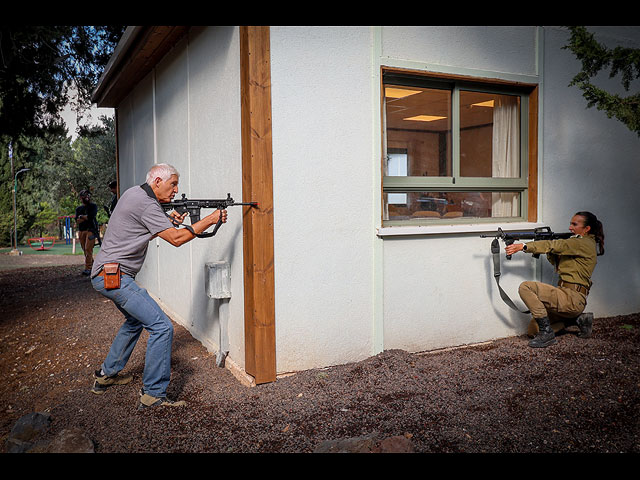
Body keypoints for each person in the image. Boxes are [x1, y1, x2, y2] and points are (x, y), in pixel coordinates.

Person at [89, 164, 228, 410]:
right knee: (162, 327)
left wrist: (165, 220)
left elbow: (140, 229)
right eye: (172, 184)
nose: (176, 190)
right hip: (114, 276)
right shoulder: (146, 203)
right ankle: (153, 394)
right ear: (156, 182)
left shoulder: (135, 194)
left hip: (106, 274)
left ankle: (106, 375)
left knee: (134, 321)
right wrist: (211, 219)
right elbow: (176, 239)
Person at [505, 211, 605, 348]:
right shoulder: (576, 244)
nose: (570, 227)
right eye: (570, 223)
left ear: (587, 229)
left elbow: (555, 245)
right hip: (564, 295)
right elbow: (556, 257)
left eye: (575, 224)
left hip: (572, 299)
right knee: (533, 330)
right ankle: (577, 320)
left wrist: (524, 246)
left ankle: (547, 334)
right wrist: (546, 247)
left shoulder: (583, 243)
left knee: (526, 287)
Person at [75, 190, 99, 275]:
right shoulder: (79, 208)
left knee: (88, 248)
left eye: (87, 196)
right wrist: (84, 217)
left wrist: (82, 217)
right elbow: (77, 220)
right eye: (84, 196)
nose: (86, 198)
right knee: (84, 250)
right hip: (81, 231)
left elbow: (91, 217)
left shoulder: (93, 206)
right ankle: (92, 265)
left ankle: (88, 268)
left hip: (91, 230)